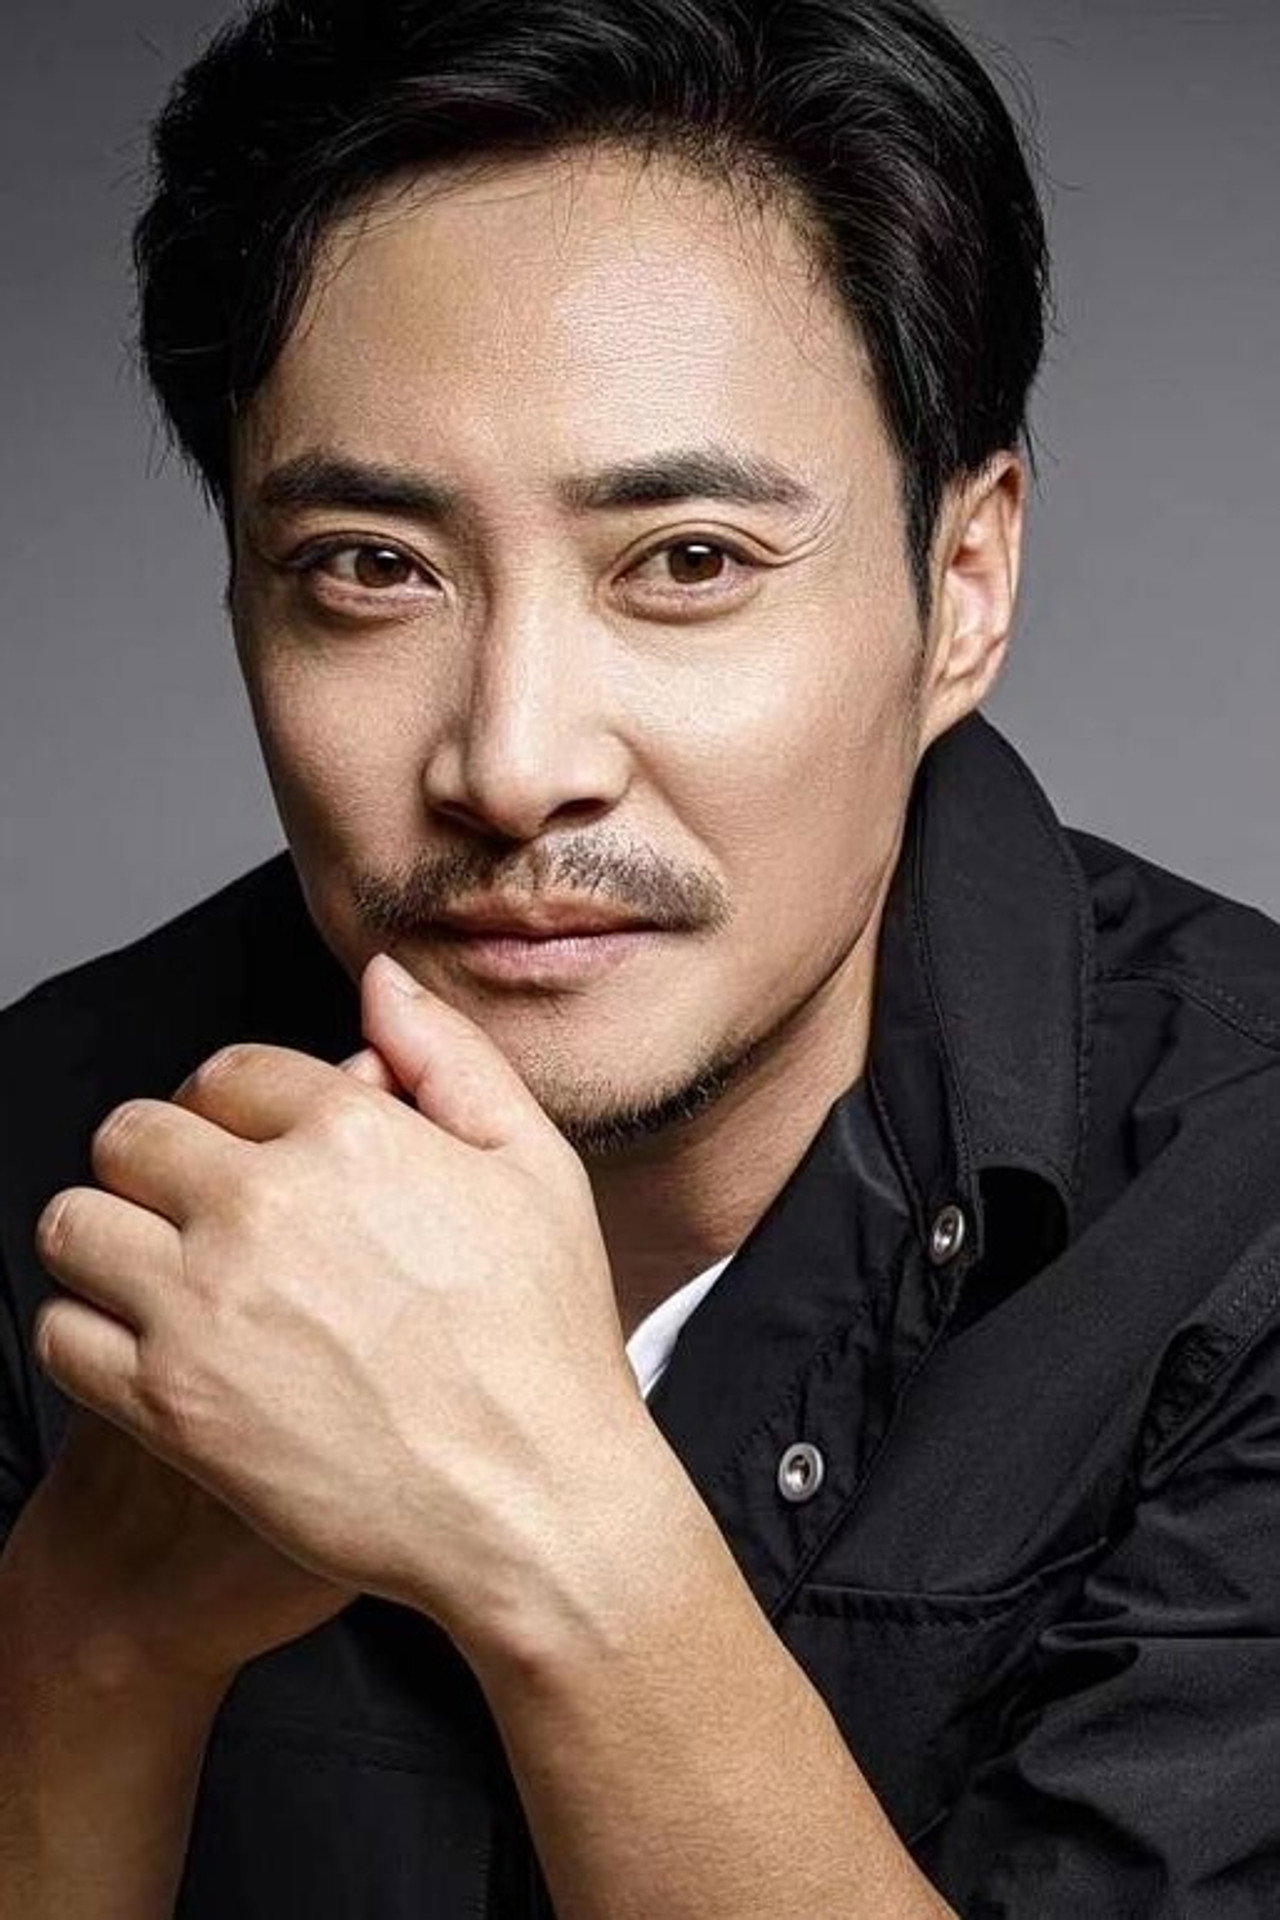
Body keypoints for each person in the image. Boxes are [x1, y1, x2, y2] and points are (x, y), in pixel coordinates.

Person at [1, 0, 1278, 1913]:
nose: (514, 762)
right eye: (371, 565)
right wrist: (96, 1630)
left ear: (962, 588)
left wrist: (565, 1539)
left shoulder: (1241, 1216)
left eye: (687, 561)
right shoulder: (43, 1150)